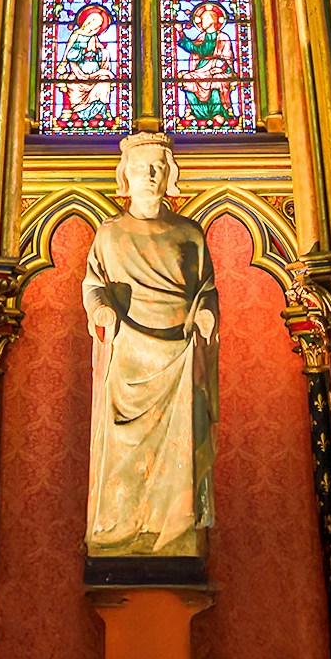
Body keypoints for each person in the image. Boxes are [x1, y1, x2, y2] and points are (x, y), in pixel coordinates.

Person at [83, 132, 219, 557]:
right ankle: (117, 532)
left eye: (158, 166)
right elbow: (93, 284)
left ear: (169, 175)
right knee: (122, 456)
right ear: (125, 174)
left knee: (181, 451)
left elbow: (206, 288)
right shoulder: (109, 234)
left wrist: (205, 313)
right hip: (129, 359)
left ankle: (175, 532)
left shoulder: (189, 233)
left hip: (178, 357)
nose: (150, 173)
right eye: (141, 166)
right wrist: (101, 309)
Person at [176, 2, 234, 123]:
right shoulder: (201, 37)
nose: (202, 22)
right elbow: (194, 48)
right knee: (187, 78)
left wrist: (221, 68)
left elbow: (228, 58)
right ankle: (196, 111)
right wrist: (181, 32)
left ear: (213, 20)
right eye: (201, 19)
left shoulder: (224, 37)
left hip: (217, 69)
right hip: (201, 69)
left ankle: (218, 112)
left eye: (205, 19)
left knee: (216, 80)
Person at [58, 4, 116, 123]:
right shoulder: (76, 34)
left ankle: (99, 111)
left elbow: (100, 51)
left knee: (104, 81)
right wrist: (82, 52)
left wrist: (100, 52)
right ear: (90, 21)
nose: (98, 27)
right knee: (73, 84)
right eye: (97, 23)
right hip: (78, 70)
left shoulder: (94, 37)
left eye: (100, 25)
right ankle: (78, 112)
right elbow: (68, 53)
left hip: (95, 70)